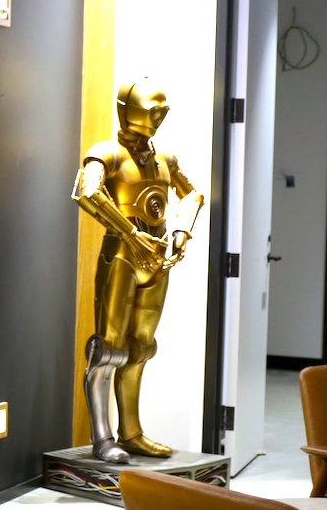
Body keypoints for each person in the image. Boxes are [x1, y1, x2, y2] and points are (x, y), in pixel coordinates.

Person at [72, 78, 204, 464]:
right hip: (123, 254)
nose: (158, 118)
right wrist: (130, 233)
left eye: (162, 112)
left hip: (157, 256)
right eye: (152, 111)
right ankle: (102, 437)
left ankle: (131, 433)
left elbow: (192, 194)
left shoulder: (166, 158)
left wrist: (181, 232)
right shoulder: (106, 153)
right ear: (129, 109)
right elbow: (87, 191)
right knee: (108, 349)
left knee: (141, 347)